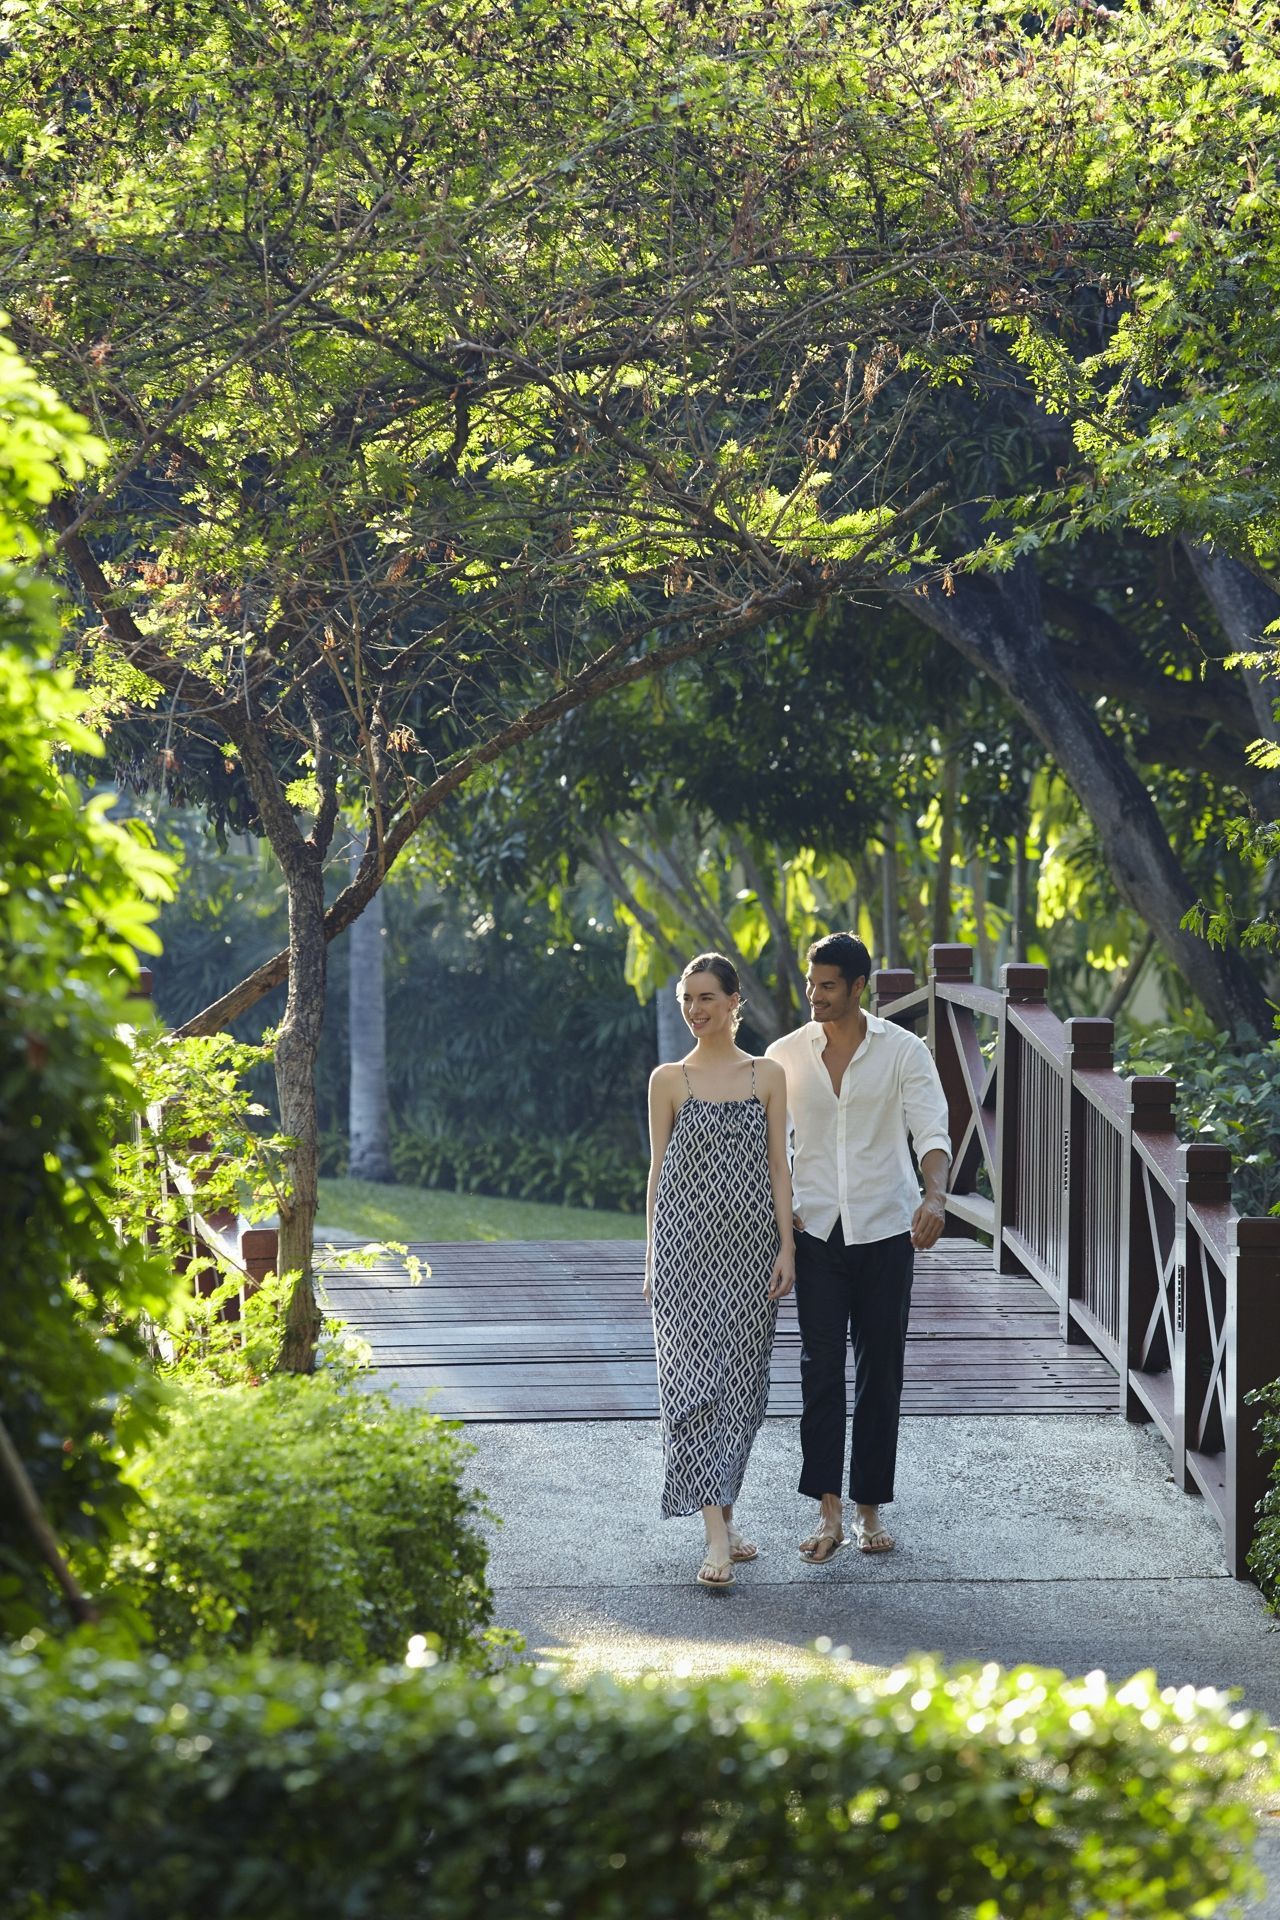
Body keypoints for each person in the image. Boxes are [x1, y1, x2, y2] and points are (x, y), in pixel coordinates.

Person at [765, 931, 951, 1562]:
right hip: (815, 1230)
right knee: (819, 1372)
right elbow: (767, 1142)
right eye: (811, 983)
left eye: (827, 985)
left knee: (880, 1372)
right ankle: (829, 1510)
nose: (814, 995)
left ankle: (870, 1507)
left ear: (858, 987)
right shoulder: (785, 1055)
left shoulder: (904, 1051)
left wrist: (934, 1197)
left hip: (885, 1229)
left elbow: (931, 1131)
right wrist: (775, 1214)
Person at [645, 952, 795, 1589]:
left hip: (750, 1253)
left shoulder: (768, 1075)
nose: (695, 1010)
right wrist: (651, 1257)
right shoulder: (668, 1079)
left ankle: (724, 1523)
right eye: (687, 999)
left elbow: (780, 1167)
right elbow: (657, 1175)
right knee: (691, 1388)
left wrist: (787, 1249)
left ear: (735, 1002)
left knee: (741, 1391)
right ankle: (715, 1539)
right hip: (682, 1254)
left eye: (706, 997)